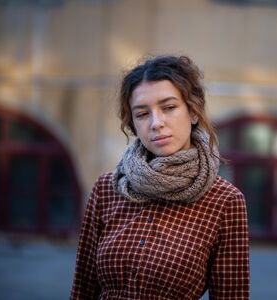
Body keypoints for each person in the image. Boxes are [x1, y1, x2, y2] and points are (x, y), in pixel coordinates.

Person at [70, 55, 250, 299]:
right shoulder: (107, 188)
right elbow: (83, 288)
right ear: (132, 123)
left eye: (169, 107)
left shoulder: (225, 201)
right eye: (142, 114)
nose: (156, 123)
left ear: (193, 112)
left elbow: (232, 295)